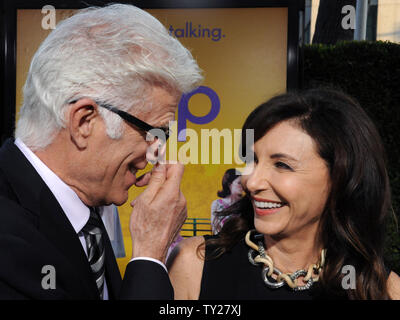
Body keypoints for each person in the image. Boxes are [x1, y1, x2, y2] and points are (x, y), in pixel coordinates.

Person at [0, 4, 202, 299]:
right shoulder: (8, 240)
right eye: (154, 132)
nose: (158, 151)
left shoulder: (85, 214)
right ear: (85, 121)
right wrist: (148, 255)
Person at [167, 88, 400, 300]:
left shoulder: (380, 289)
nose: (252, 181)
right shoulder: (195, 265)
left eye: (282, 165)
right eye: (253, 160)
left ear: (340, 178)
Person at [210, 169, 243, 234]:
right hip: (222, 239)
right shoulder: (216, 204)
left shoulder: (243, 204)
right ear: (229, 184)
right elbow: (214, 227)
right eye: (239, 183)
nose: (242, 186)